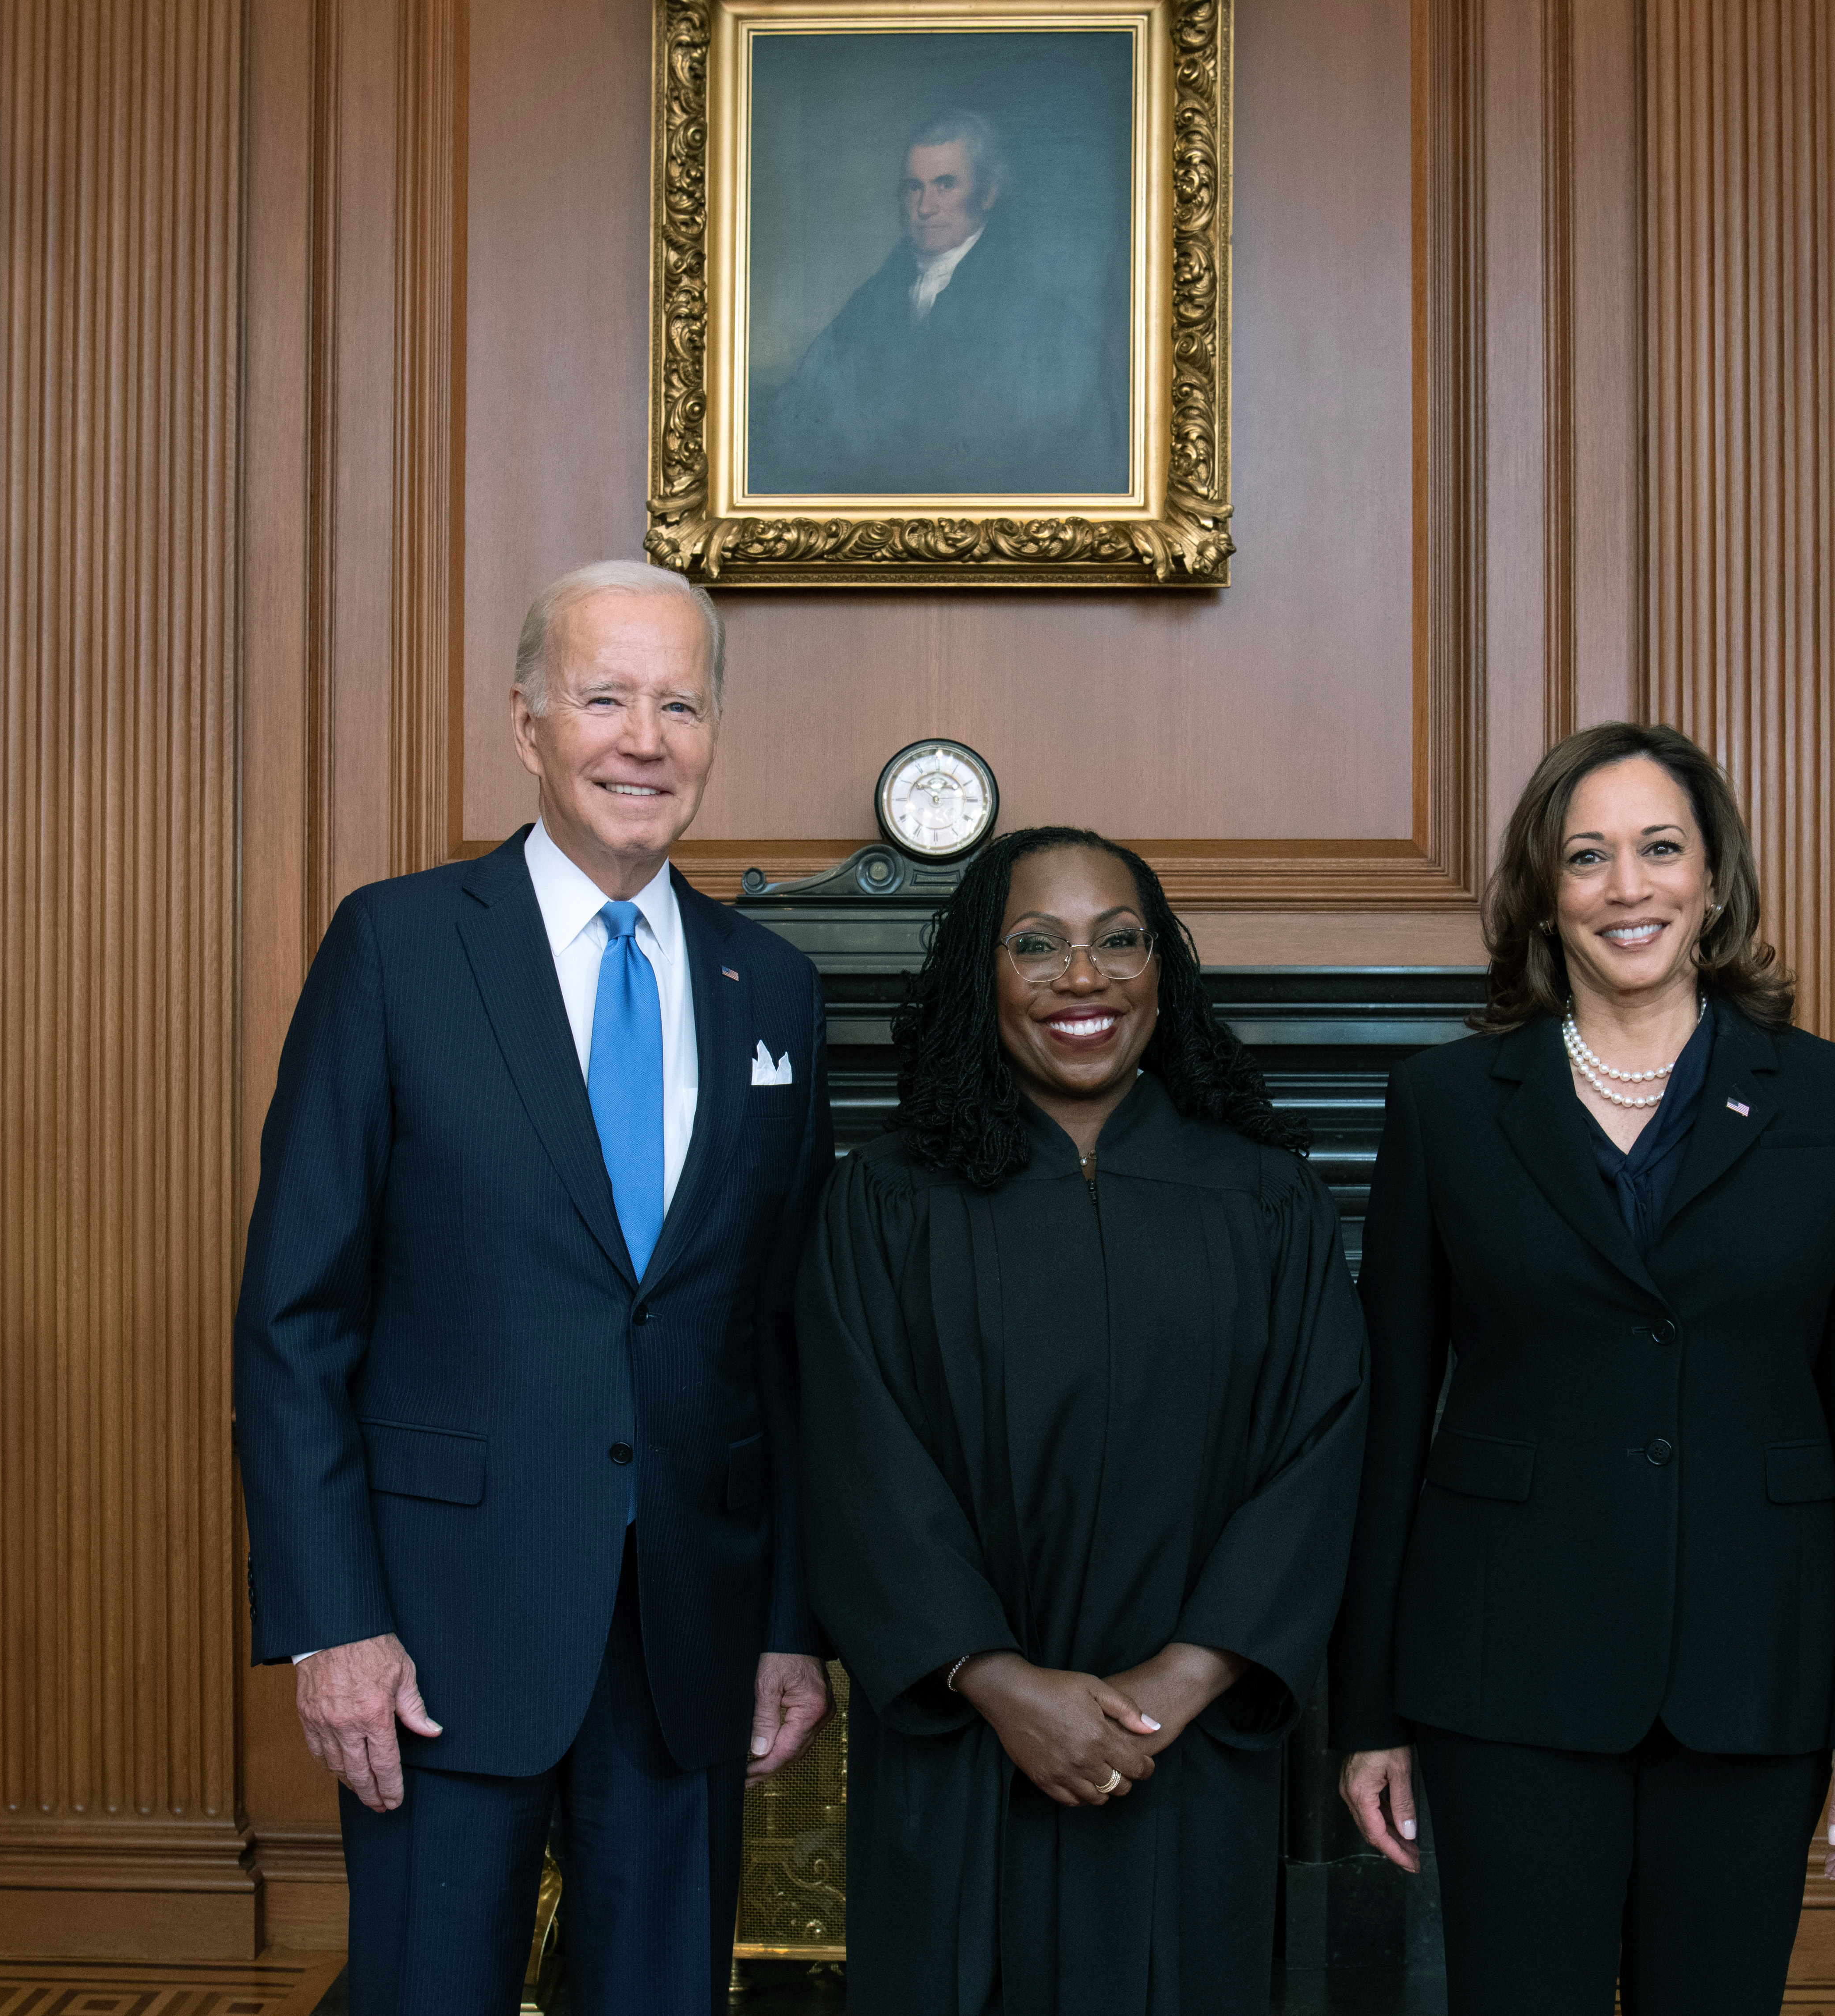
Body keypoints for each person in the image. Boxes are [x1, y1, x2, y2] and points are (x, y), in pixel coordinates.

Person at [233, 560, 836, 2016]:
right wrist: (333, 1619)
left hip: (686, 1632)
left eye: (679, 702)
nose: (645, 737)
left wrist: (787, 1619)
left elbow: (785, 1339)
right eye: (605, 695)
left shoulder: (776, 984)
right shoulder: (397, 944)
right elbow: (294, 1314)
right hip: (436, 1630)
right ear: (526, 723)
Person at [1328, 722, 1835, 2015]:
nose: (1625, 886)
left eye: (1658, 849)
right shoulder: (1443, 1104)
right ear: (1544, 892)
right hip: (1504, 1665)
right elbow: (1385, 1423)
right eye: (1586, 856)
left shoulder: (1831, 1105)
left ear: (1712, 880)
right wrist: (1366, 1708)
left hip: (1754, 1661)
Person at [796, 828, 1368, 2014]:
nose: (1083, 975)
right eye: (1035, 943)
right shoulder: (888, 1200)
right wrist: (996, 1679)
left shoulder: (1264, 1201)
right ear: (978, 973)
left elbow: (1320, 1450)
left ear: (1163, 967)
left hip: (1188, 1748)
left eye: (1118, 939)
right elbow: (857, 1457)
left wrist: (1183, 1677)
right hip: (962, 1746)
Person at [755, 109, 1126, 496]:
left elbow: (1061, 454)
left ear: (988, 193)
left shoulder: (1041, 319)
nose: (925, 207)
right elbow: (798, 416)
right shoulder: (870, 303)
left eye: (945, 185)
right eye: (914, 187)